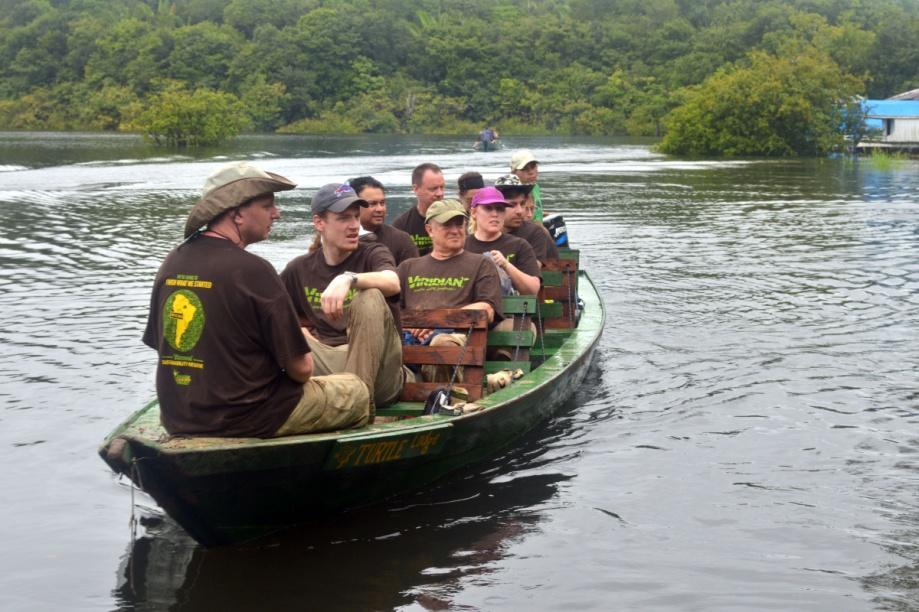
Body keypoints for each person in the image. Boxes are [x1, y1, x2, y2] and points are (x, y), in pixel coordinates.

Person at [142, 162, 370, 438]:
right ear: (237, 213)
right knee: (356, 391)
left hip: (178, 416)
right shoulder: (253, 270)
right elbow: (302, 369)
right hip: (250, 418)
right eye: (267, 206)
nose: (276, 213)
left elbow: (162, 345)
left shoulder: (172, 261)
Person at [281, 183, 409, 411]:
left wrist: (349, 278)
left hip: (381, 371)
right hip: (332, 366)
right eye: (343, 218)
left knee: (368, 296)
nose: (354, 226)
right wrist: (294, 333)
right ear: (319, 222)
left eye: (355, 217)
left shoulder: (373, 252)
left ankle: (357, 408)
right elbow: (267, 310)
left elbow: (392, 281)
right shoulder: (299, 269)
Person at [397, 199, 503, 382]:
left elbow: (487, 309)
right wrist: (411, 325)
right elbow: (392, 309)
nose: (455, 230)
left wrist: (436, 323)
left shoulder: (481, 264)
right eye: (447, 225)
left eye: (459, 223)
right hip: (409, 342)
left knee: (443, 343)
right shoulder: (408, 267)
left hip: (456, 339)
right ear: (430, 229)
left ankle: (445, 400)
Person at [464, 186, 540, 296]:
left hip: (511, 311)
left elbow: (533, 290)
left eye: (500, 209)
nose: (495, 214)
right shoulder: (463, 246)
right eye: (488, 208)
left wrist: (506, 265)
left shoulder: (520, 245)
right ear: (474, 212)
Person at [349, 176, 419, 264]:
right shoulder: (342, 239)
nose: (380, 209)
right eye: (372, 204)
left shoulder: (401, 240)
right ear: (354, 205)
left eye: (382, 203)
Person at [495, 174, 559, 264]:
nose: (520, 211)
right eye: (512, 205)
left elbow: (533, 273)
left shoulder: (535, 233)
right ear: (496, 206)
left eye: (522, 204)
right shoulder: (485, 231)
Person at [392, 162, 445, 256]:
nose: (439, 193)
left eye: (442, 187)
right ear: (416, 189)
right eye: (433, 189)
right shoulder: (401, 226)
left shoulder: (454, 220)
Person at [510, 149, 543, 222]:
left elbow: (535, 210)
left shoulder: (535, 187)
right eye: (525, 169)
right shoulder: (514, 194)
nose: (531, 172)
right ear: (514, 172)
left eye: (533, 167)